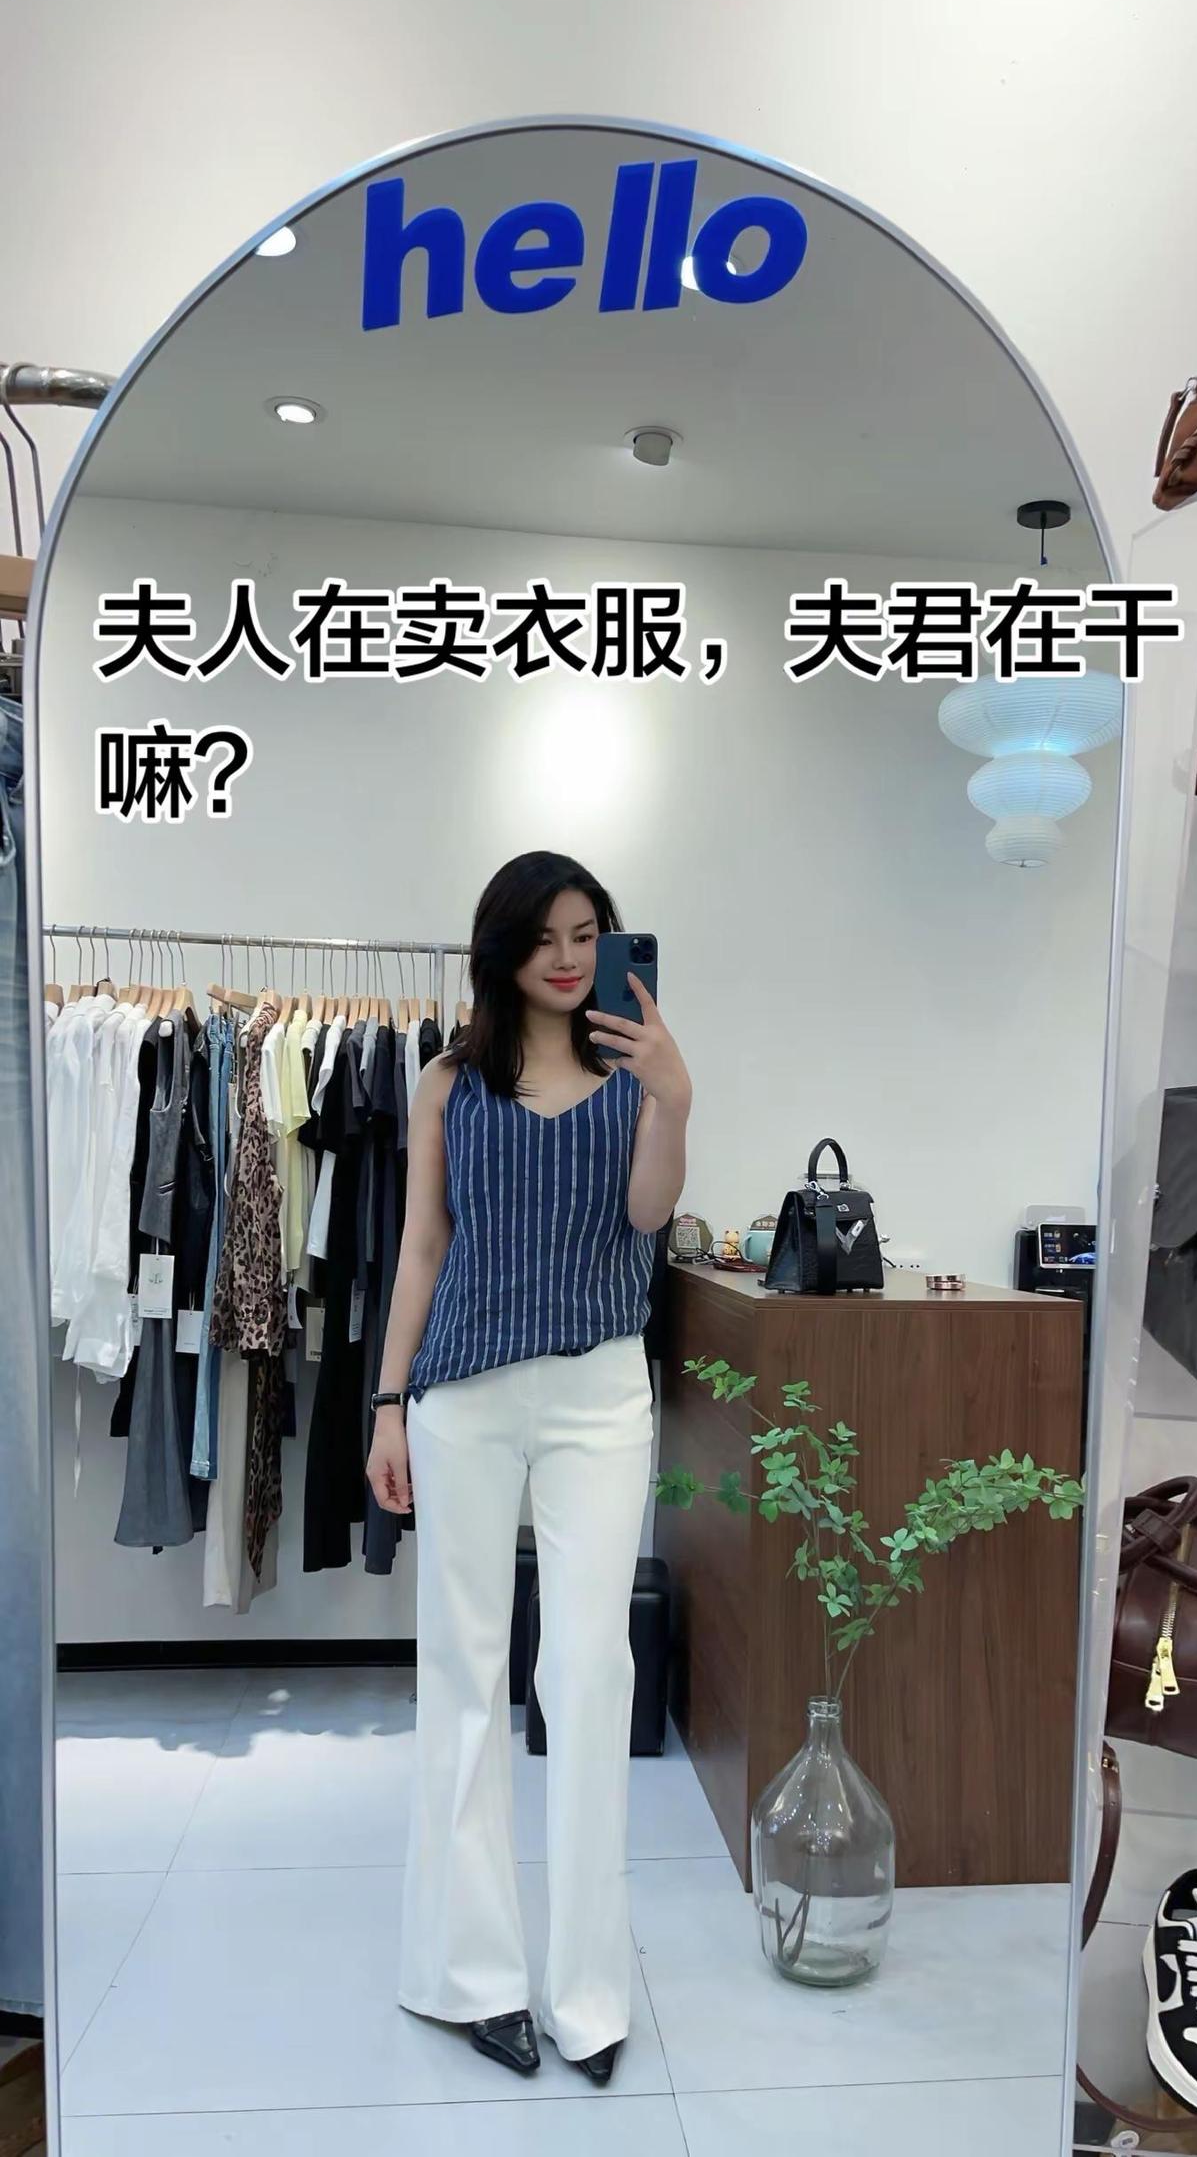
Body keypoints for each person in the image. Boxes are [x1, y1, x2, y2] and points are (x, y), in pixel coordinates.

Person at [368, 849, 692, 2086]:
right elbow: (420, 1247)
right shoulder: (446, 1081)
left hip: (600, 1393)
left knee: (590, 1669)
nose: (567, 956)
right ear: (501, 948)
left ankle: (589, 1989)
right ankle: (468, 1973)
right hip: (461, 1392)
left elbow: (648, 1217)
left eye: (586, 931)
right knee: (461, 1669)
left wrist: (673, 1098)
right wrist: (387, 1404)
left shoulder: (632, 1075)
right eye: (545, 935)